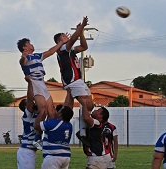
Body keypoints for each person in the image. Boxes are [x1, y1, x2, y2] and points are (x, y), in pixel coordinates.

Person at [17, 37, 68, 148]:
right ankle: (37, 138)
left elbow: (50, 51)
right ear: (24, 47)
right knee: (43, 109)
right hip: (34, 82)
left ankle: (48, 137)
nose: (32, 45)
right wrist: (23, 58)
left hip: (42, 83)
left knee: (52, 112)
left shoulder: (37, 56)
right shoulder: (26, 57)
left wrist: (60, 42)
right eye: (29, 43)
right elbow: (23, 63)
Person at [53, 16, 97, 146]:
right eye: (64, 36)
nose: (67, 37)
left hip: (78, 80)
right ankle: (83, 132)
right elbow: (72, 39)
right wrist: (81, 27)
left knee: (90, 105)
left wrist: (81, 33)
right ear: (60, 41)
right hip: (72, 81)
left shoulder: (70, 49)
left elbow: (84, 46)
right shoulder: (62, 49)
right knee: (84, 104)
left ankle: (82, 130)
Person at [33, 89, 74, 169]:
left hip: (54, 157)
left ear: (60, 115)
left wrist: (42, 112)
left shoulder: (54, 123)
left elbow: (36, 126)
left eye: (58, 111)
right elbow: (68, 109)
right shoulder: (69, 125)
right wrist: (69, 94)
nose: (56, 112)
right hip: (66, 156)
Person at [79, 99, 114, 169]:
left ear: (100, 116)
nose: (95, 110)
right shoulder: (98, 123)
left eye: (98, 110)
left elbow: (86, 118)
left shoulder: (97, 123)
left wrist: (83, 104)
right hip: (99, 157)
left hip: (98, 158)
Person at [17, 78, 39, 169]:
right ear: (25, 107)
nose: (33, 102)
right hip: (26, 151)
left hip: (29, 151)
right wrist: (30, 83)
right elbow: (30, 99)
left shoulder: (36, 113)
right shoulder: (27, 116)